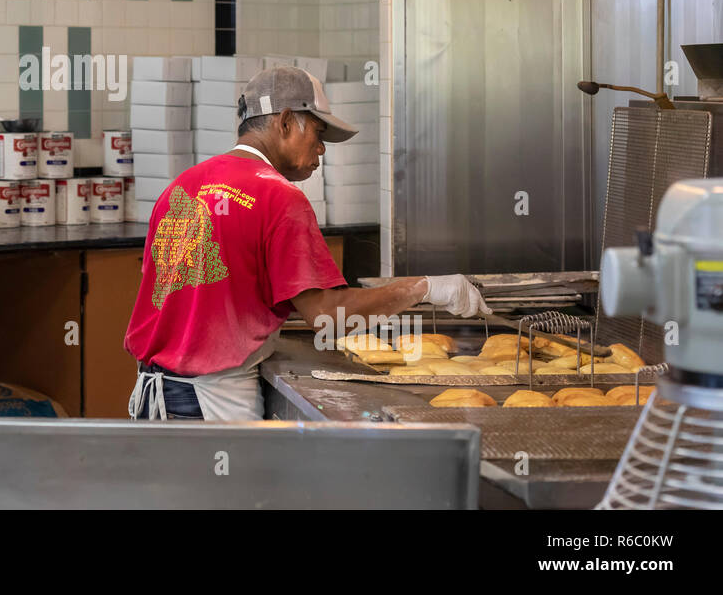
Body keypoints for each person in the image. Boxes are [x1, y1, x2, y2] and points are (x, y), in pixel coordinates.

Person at [124, 65, 490, 421]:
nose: (322, 150)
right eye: (317, 133)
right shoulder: (279, 197)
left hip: (155, 397)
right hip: (211, 404)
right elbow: (329, 315)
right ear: (284, 122)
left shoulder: (182, 186)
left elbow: (200, 290)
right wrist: (426, 288)